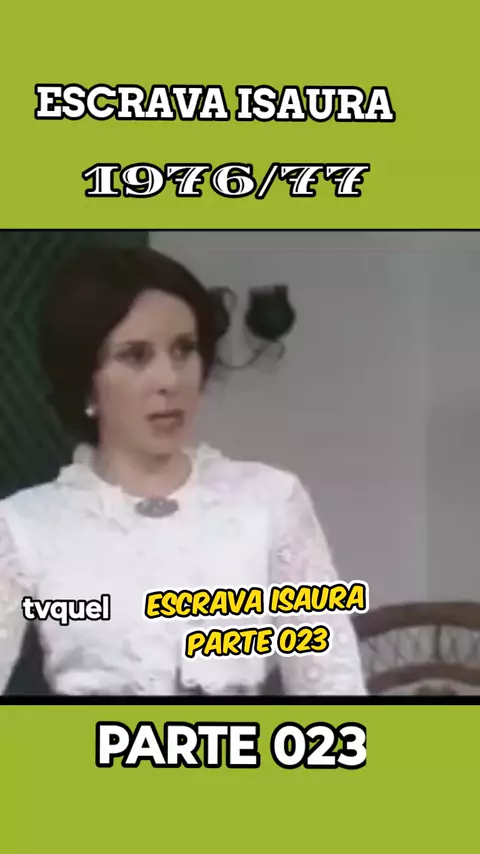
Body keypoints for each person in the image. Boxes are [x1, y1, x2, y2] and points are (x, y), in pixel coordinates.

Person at [0, 247, 366, 696]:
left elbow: (332, 684)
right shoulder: (25, 525)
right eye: (135, 356)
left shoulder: (270, 499)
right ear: (86, 383)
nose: (170, 380)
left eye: (184, 350)